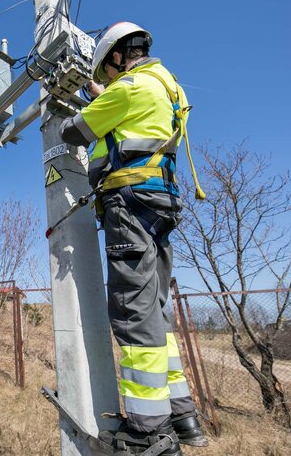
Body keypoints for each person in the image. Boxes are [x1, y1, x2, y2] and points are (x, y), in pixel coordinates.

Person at [59, 22, 208, 455]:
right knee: (155, 312)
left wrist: (78, 105)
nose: (106, 80)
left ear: (116, 57)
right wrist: (96, 92)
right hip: (161, 204)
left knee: (132, 312)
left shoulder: (127, 89)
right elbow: (124, 117)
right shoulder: (166, 87)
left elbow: (77, 132)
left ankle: (147, 430)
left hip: (129, 204)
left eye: (107, 72)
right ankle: (183, 416)